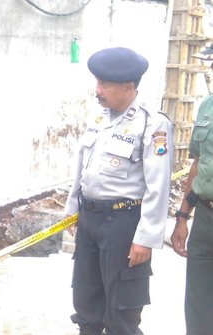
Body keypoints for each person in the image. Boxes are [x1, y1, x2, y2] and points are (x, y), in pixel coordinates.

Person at [64, 47, 173, 335]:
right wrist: (72, 209)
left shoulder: (153, 124)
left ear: (129, 86)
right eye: (97, 83)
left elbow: (158, 185)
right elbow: (82, 167)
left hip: (123, 224)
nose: (97, 90)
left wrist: (146, 239)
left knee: (121, 311)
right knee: (86, 302)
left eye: (105, 85)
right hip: (90, 219)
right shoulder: (99, 117)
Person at [170, 44, 213, 335]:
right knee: (198, 309)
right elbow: (198, 163)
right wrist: (183, 216)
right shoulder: (207, 106)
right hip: (206, 222)